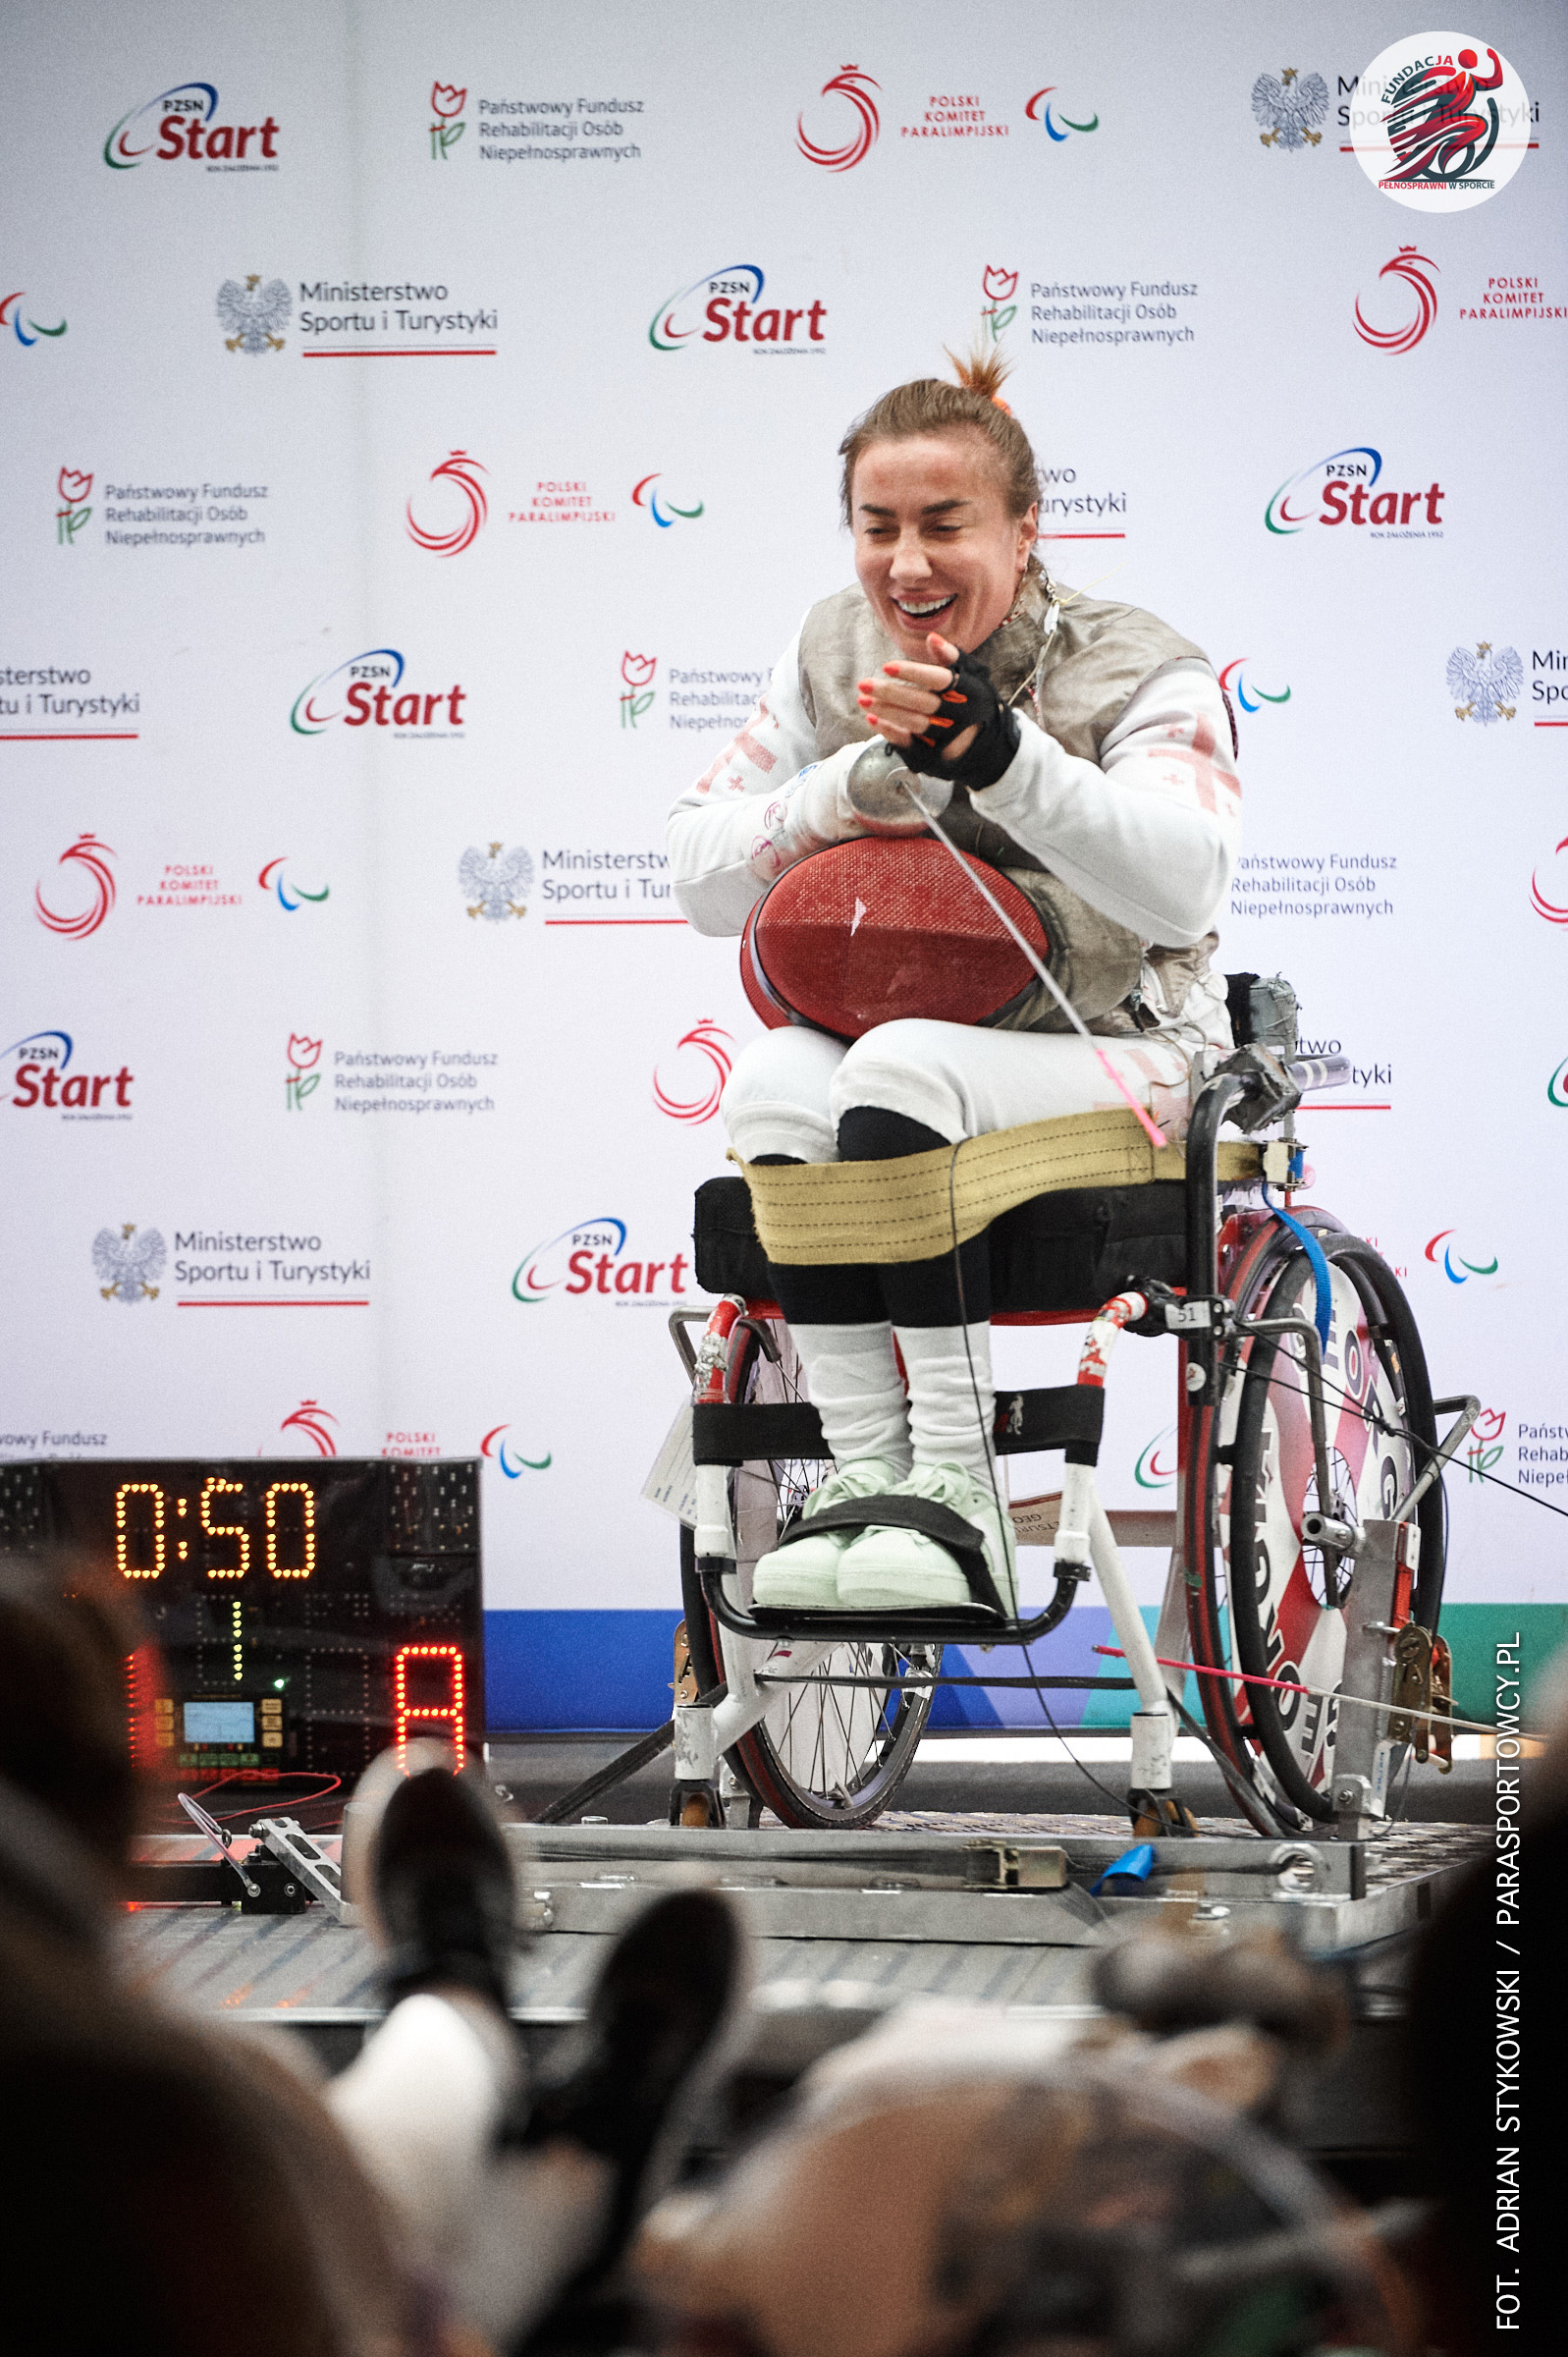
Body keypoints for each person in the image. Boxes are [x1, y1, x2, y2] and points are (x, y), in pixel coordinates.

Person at [668, 347, 1241, 1614]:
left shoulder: (1138, 664)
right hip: (928, 1060)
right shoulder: (831, 650)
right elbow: (698, 875)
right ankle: (871, 1476)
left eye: (945, 524)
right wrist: (842, 789)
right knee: (771, 1081)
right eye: (878, 528)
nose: (907, 564)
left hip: (1132, 1051)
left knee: (898, 1066)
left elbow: (1186, 888)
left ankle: (959, 1493)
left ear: (1024, 531)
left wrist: (1006, 760)